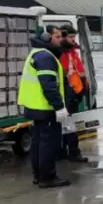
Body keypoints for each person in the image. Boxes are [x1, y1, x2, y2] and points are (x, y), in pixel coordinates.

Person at [17, 24, 72, 188]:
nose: (60, 39)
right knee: (48, 144)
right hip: (45, 108)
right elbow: (49, 86)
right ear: (47, 37)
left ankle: (39, 175)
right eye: (57, 36)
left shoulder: (37, 54)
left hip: (36, 108)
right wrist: (59, 107)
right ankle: (47, 177)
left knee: (38, 143)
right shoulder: (46, 57)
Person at [58, 23, 89, 163]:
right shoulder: (62, 53)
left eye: (74, 36)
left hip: (74, 92)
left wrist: (84, 87)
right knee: (70, 125)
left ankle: (65, 151)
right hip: (68, 94)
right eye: (71, 36)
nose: (73, 39)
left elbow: (79, 72)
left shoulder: (71, 52)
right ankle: (72, 152)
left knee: (68, 125)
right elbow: (64, 75)